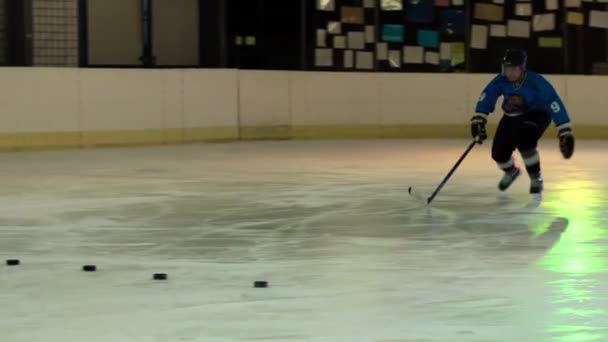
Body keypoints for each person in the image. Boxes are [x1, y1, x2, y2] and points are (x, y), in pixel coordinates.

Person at [470, 49, 575, 194]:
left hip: (537, 115)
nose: (510, 72)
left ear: (522, 68)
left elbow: (553, 102)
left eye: (514, 69)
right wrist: (479, 119)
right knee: (498, 154)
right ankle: (511, 171)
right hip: (512, 116)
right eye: (507, 68)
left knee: (525, 140)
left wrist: (565, 130)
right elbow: (488, 95)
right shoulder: (501, 80)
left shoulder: (536, 82)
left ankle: (535, 177)